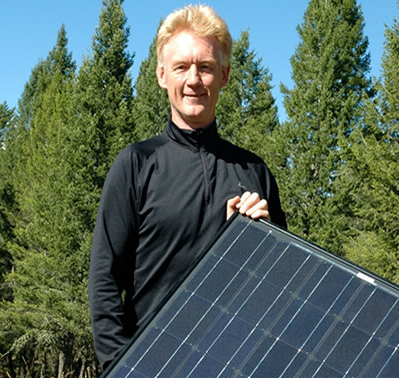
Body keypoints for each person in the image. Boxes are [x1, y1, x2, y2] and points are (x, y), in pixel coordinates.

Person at [88, 4, 287, 370]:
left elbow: (279, 290)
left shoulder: (254, 171)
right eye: (181, 67)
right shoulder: (135, 164)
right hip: (149, 367)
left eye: (206, 67)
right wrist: (122, 367)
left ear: (224, 75)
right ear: (162, 75)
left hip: (234, 364)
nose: (194, 79)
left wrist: (261, 240)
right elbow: (104, 281)